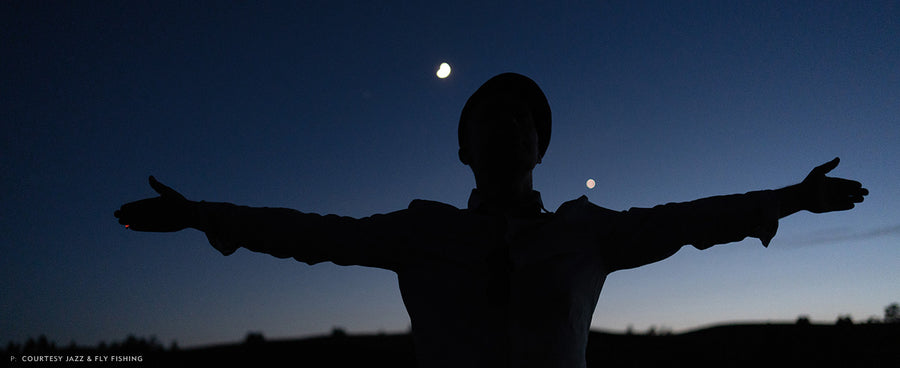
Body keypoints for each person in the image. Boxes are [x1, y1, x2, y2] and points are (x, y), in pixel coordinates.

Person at [115, 73, 868, 368]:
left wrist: (789, 199)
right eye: (489, 115)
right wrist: (201, 216)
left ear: (541, 147)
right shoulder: (418, 231)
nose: (508, 123)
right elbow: (312, 232)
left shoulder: (590, 231)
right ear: (462, 148)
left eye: (524, 117)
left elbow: (689, 219)